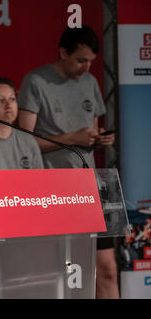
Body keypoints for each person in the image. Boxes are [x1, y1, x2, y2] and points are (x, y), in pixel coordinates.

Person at [17, 25, 119, 299]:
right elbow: (24, 143)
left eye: (91, 61)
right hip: (53, 188)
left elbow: (90, 131)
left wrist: (98, 140)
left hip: (90, 187)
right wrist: (72, 137)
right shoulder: (36, 82)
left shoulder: (90, 83)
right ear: (63, 52)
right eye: (80, 60)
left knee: (107, 268)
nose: (86, 67)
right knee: (62, 271)